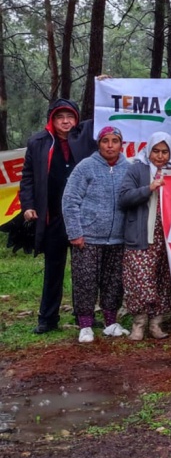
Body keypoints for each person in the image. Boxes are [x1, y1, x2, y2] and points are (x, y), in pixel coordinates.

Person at [20, 98, 96, 334]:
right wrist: (28, 205)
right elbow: (28, 177)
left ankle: (84, 316)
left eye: (70, 116)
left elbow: (107, 114)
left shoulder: (86, 138)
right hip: (52, 215)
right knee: (54, 268)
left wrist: (106, 84)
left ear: (76, 118)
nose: (66, 121)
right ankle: (48, 318)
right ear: (52, 119)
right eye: (60, 117)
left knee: (83, 270)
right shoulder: (38, 142)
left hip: (82, 217)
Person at [61, 126, 131, 343]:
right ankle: (85, 325)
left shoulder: (128, 168)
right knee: (85, 281)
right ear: (99, 143)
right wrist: (75, 233)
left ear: (121, 144)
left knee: (113, 282)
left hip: (118, 238)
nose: (110, 145)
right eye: (105, 141)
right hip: (88, 237)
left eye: (115, 141)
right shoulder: (86, 167)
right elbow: (70, 201)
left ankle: (111, 322)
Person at [119, 131, 171, 341]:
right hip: (141, 234)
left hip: (166, 237)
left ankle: (156, 324)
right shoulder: (137, 169)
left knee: (161, 280)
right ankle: (139, 324)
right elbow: (124, 197)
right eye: (156, 151)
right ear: (148, 150)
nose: (160, 156)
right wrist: (149, 188)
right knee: (140, 280)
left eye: (164, 152)